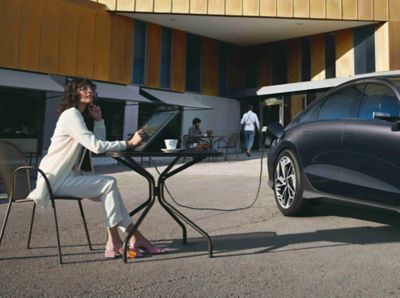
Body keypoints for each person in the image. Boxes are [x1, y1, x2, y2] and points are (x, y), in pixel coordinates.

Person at [28, 78, 166, 259]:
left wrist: (99, 120)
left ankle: (132, 238)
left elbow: (97, 145)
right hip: (55, 179)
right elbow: (97, 147)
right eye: (83, 88)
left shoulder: (78, 115)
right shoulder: (71, 115)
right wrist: (129, 143)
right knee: (109, 184)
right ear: (74, 93)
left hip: (66, 176)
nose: (89, 91)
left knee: (110, 192)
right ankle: (119, 240)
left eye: (91, 88)